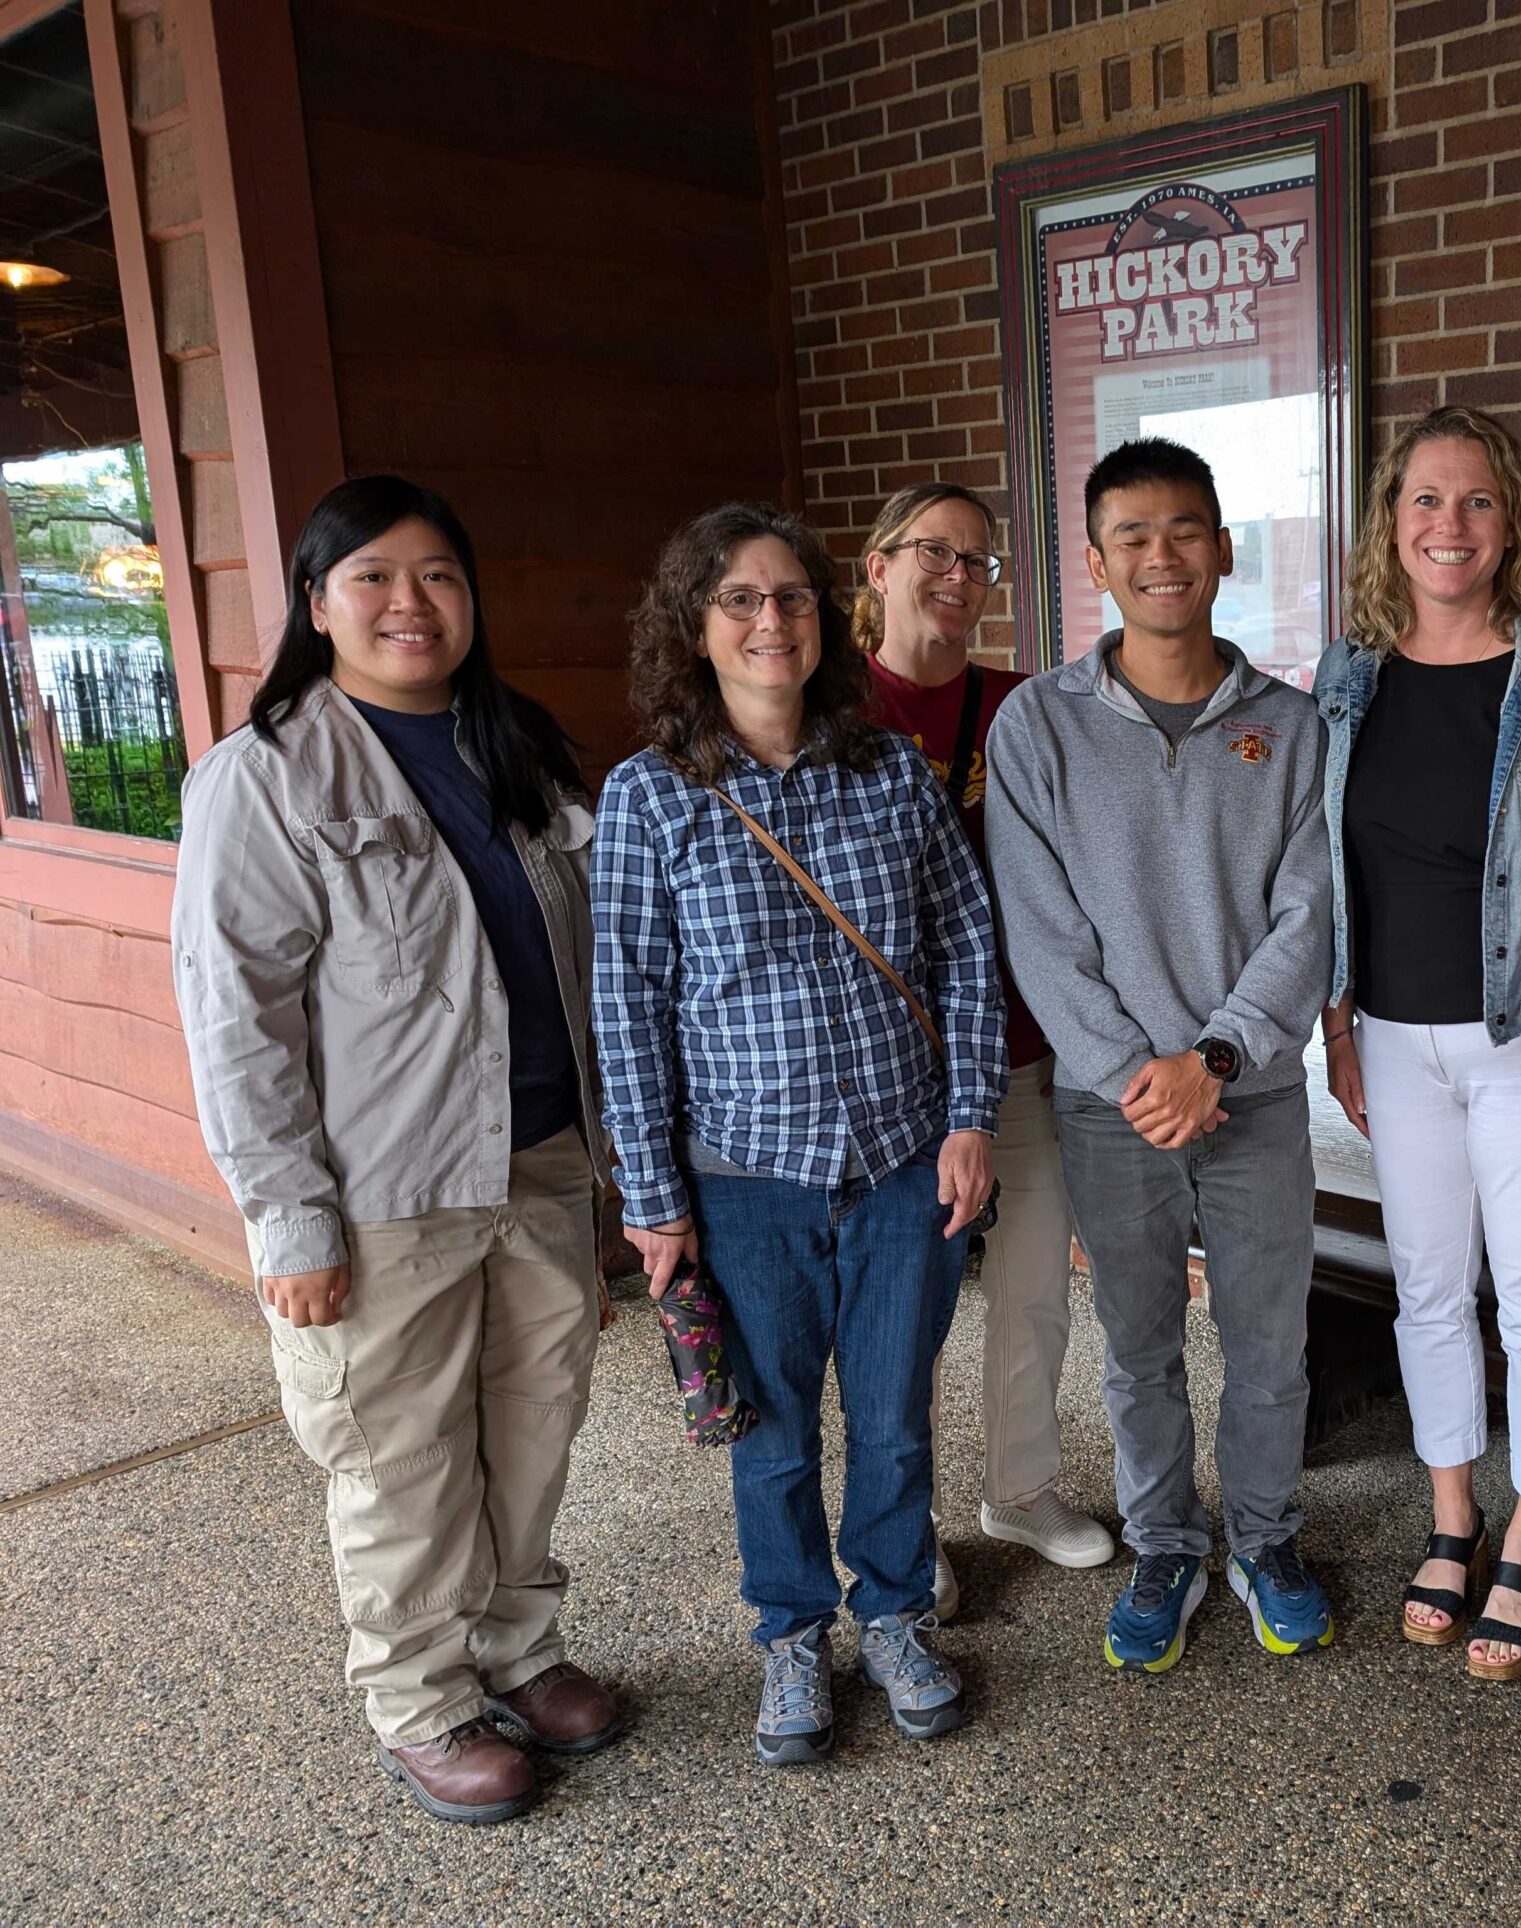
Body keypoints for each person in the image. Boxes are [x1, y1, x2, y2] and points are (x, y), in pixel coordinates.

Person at [171, 475, 620, 1825]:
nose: (410, 603)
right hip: (384, 1193)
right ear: (319, 605)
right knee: (400, 1457)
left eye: (438, 575)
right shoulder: (266, 777)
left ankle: (515, 1649)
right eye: (373, 576)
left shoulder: (517, 748)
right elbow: (234, 1015)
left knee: (533, 1433)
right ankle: (421, 1700)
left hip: (538, 1163)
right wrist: (288, 1219)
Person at [591, 502, 1005, 1765]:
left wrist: (972, 1117)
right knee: (769, 1432)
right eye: (738, 601)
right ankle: (789, 1632)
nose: (770, 620)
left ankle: (889, 1609)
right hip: (744, 1183)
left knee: (891, 1416)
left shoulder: (888, 771)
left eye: (791, 598)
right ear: (695, 628)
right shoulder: (652, 797)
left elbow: (969, 951)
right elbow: (626, 1004)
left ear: (828, 619)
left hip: (898, 1165)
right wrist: (654, 1199)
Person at [986, 437, 1335, 1673]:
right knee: (1134, 1342)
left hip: (1256, 1094)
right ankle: (1165, 1542)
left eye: (1185, 529)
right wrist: (1139, 1069)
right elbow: (1039, 924)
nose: (1161, 554)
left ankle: (1266, 1536)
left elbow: (1310, 913)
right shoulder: (1039, 723)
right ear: (1094, 563)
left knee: (1267, 1339)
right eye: (1132, 535)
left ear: (1224, 547)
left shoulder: (1292, 724)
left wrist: (1219, 1058)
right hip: (1108, 1102)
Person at [1312, 406, 1521, 1680]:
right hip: (1390, 1037)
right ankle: (1452, 1517)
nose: (1448, 526)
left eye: (1476, 502)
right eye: (1425, 502)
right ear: (1392, 524)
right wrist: (1338, 1019)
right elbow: (1326, 867)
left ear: (1514, 523)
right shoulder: (1347, 673)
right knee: (1429, 1287)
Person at [856, 482, 1117, 1591]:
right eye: (935, 553)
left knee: (1032, 1287)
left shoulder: (1024, 705)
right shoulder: (828, 712)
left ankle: (1017, 1489)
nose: (958, 577)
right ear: (877, 566)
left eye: (979, 562)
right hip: (888, 1074)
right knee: (899, 1314)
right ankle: (897, 1525)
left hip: (1019, 1050)